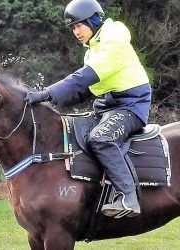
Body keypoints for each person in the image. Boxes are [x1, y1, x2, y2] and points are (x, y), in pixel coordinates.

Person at [24, 0, 151, 218]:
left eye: (79, 25)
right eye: (72, 28)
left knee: (101, 138)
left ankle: (129, 197)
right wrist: (48, 103)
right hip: (107, 107)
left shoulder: (114, 39)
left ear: (93, 20)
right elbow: (83, 91)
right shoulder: (92, 50)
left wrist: (46, 93)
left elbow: (84, 78)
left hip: (131, 106)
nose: (76, 32)